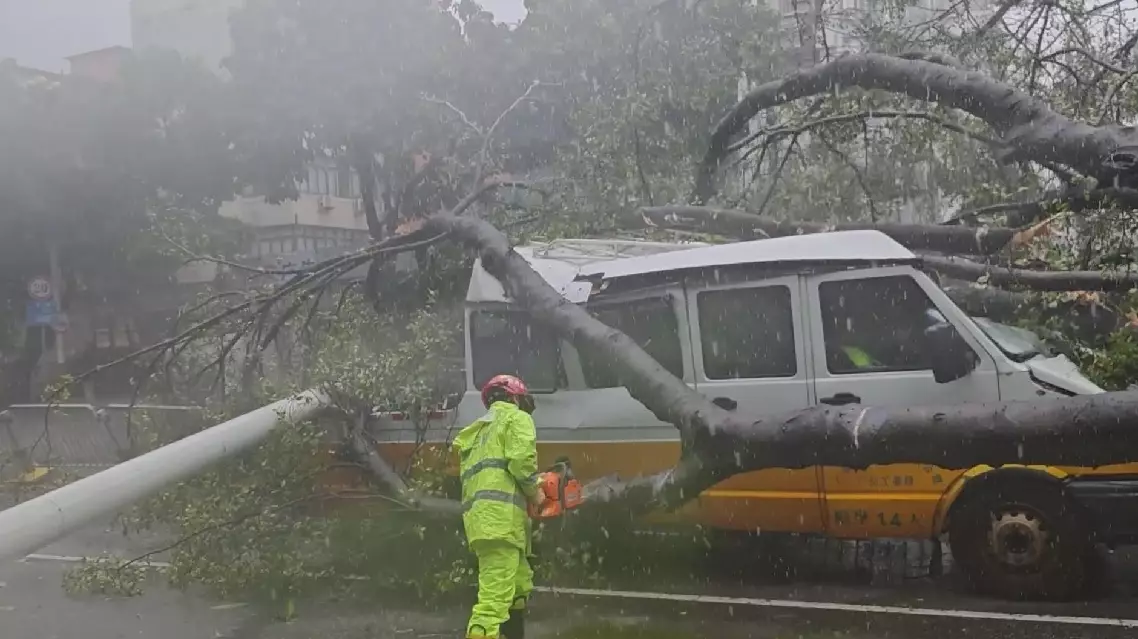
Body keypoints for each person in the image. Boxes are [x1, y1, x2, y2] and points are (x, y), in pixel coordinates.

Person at [453, 374, 543, 639]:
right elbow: (521, 462)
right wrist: (536, 493)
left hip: (482, 522)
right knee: (492, 604)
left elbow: (493, 475)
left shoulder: (477, 433)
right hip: (502, 524)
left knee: (518, 586)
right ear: (515, 398)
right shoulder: (516, 419)